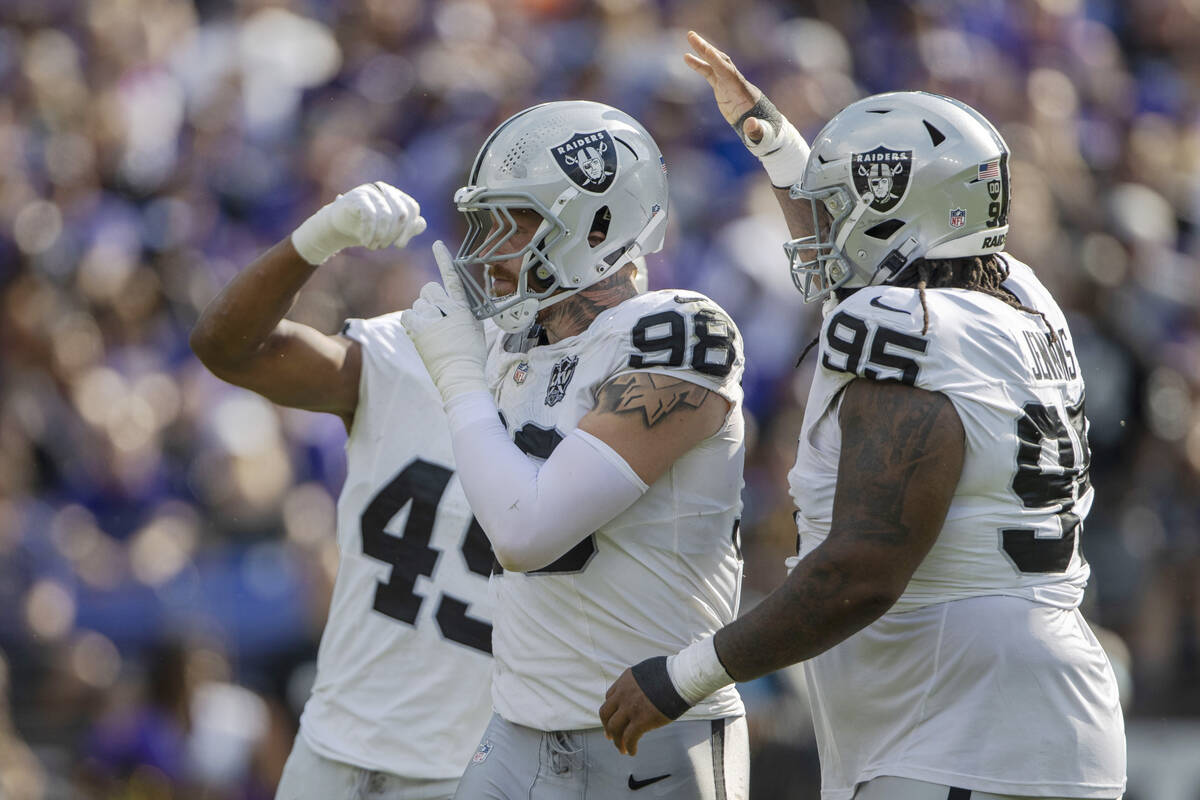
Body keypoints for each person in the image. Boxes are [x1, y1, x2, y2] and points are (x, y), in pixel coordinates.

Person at [599, 33, 1127, 800]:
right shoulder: (1018, 297)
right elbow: (870, 254)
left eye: (842, 203)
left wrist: (687, 675)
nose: (820, 227)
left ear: (897, 213)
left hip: (960, 733)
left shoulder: (899, 330)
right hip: (1030, 711)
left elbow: (862, 570)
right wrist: (776, 141)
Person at [400, 100, 750, 799]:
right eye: (484, 223)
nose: (490, 247)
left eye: (516, 221)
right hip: (517, 726)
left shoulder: (677, 332)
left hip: (652, 734)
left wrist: (462, 380)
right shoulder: (512, 345)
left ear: (598, 223)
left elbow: (527, 532)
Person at [190, 182, 496, 799]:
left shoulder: (601, 402)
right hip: (331, 748)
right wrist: (314, 240)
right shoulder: (406, 353)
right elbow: (225, 348)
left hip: (467, 770)